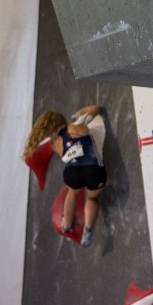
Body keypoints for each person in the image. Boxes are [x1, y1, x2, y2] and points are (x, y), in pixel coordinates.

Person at [23, 105, 107, 248]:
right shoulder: (79, 123)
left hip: (72, 172)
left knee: (72, 194)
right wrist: (82, 111)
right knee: (92, 197)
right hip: (93, 169)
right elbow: (96, 109)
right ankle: (87, 229)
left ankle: (66, 225)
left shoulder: (56, 144)